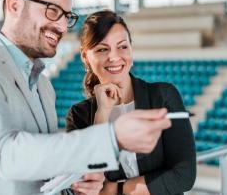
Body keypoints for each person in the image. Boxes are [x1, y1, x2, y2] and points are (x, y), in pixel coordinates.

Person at [0, 0, 172, 195]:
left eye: (66, 16)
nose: (62, 26)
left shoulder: (43, 85)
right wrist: (111, 138)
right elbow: (6, 155)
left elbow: (38, 173)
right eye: (52, 10)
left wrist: (71, 186)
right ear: (14, 5)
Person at [66, 10, 196, 195]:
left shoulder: (163, 96)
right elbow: (88, 185)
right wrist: (102, 114)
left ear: (131, 49)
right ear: (85, 56)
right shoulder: (79, 115)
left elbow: (184, 176)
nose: (114, 57)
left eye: (122, 46)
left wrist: (117, 188)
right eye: (102, 49)